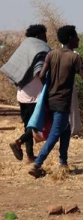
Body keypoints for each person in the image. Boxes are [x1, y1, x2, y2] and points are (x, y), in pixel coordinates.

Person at [28, 25, 83, 178]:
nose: (78, 39)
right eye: (76, 37)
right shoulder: (74, 57)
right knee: (55, 134)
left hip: (51, 99)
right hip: (62, 102)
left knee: (65, 129)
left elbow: (42, 75)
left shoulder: (51, 54)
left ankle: (63, 163)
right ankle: (37, 164)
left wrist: (51, 87)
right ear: (71, 38)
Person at [1, 24, 50, 163]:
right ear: (38, 35)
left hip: (22, 94)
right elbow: (40, 73)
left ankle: (29, 156)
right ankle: (18, 141)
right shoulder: (40, 49)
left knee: (28, 124)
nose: (45, 38)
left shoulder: (23, 47)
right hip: (36, 95)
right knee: (37, 125)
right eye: (44, 35)